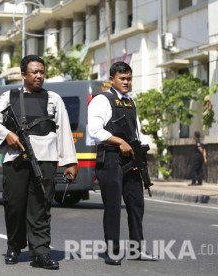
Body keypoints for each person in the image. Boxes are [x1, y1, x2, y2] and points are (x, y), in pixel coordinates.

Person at [0, 55, 78, 270]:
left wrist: (70, 162)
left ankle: (41, 252)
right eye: (34, 72)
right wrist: (8, 134)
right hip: (16, 159)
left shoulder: (54, 98)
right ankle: (14, 246)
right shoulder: (9, 97)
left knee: (41, 206)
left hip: (45, 160)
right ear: (23, 74)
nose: (39, 76)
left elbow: (64, 131)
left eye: (42, 72)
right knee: (14, 205)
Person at [87, 61, 157, 265]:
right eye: (122, 78)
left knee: (136, 205)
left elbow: (136, 132)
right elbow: (95, 131)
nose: (126, 82)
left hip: (131, 159)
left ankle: (136, 249)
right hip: (110, 158)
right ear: (112, 79)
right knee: (113, 207)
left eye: (129, 78)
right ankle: (113, 252)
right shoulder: (102, 100)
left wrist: (141, 150)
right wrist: (120, 142)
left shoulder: (130, 102)